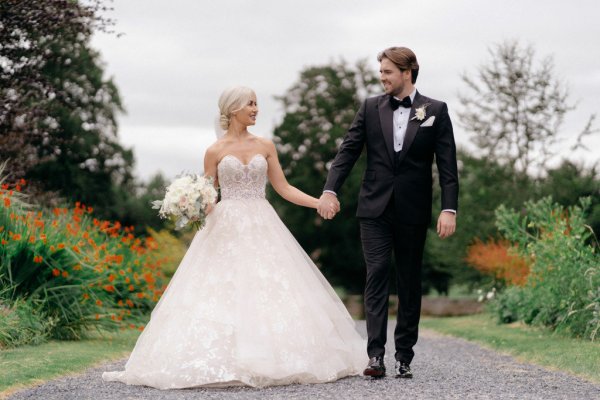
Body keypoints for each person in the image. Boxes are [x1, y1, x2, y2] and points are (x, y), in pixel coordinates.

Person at [102, 86, 365, 389]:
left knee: (269, 285)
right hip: (224, 225)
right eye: (250, 104)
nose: (255, 109)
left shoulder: (266, 146)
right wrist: (189, 203)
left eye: (257, 104)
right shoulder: (214, 151)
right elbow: (209, 196)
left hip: (262, 222)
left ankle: (275, 356)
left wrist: (318, 201)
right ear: (233, 109)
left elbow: (283, 188)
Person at [317, 47, 459, 379]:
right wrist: (329, 188)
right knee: (377, 271)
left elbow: (448, 166)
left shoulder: (435, 110)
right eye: (380, 72)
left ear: (407, 72)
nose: (382, 78)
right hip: (374, 207)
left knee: (409, 279)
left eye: (387, 72)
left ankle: (405, 355)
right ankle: (376, 355)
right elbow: (348, 150)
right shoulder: (369, 108)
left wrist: (448, 209)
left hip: (413, 207)